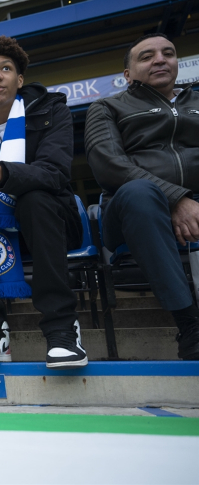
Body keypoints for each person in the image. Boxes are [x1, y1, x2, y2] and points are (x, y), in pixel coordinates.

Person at [0, 35, 84, 369]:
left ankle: (62, 330)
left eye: (5, 68)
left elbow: (54, 174)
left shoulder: (52, 110)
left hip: (51, 222)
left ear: (19, 79)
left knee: (34, 199)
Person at [85, 33, 199, 360]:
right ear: (128, 74)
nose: (160, 59)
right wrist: (176, 199)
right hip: (130, 210)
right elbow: (108, 166)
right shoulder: (107, 106)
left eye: (168, 53)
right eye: (147, 56)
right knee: (140, 192)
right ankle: (190, 326)